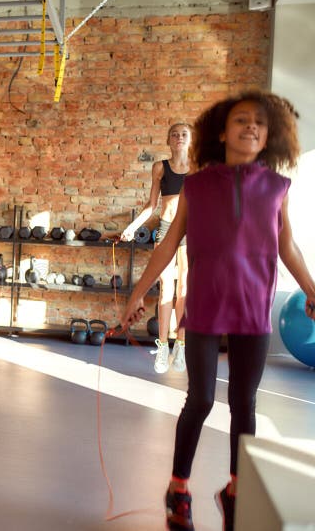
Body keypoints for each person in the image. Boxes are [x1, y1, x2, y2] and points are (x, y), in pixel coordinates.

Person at [119, 91, 315, 531]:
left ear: (269, 137)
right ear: (222, 132)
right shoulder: (195, 185)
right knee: (201, 399)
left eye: (259, 124)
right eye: (241, 120)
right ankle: (179, 488)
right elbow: (169, 244)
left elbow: (288, 246)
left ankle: (236, 490)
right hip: (207, 303)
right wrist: (138, 294)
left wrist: (311, 289)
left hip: (254, 307)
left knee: (245, 404)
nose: (250, 127)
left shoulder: (278, 188)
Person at [121, 123, 192, 374]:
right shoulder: (160, 168)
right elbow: (152, 205)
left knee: (184, 289)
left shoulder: (199, 168)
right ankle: (162, 347)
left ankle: (180, 346)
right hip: (165, 229)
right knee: (166, 288)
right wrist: (132, 226)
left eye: (184, 134)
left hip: (190, 232)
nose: (179, 138)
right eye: (174, 134)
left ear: (190, 139)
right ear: (168, 140)